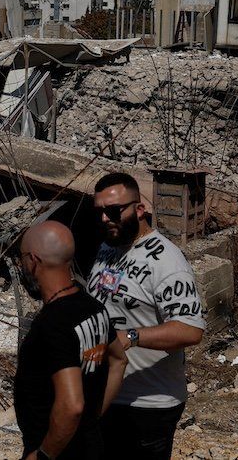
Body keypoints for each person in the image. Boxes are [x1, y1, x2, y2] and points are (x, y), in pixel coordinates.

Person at [87, 172, 206, 459]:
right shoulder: (108, 248)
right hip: (106, 396)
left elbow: (190, 330)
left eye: (114, 211)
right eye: (100, 212)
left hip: (148, 405)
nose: (106, 219)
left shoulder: (167, 261)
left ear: (140, 210)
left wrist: (131, 337)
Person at [14, 221, 128, 460]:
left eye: (22, 258)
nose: (21, 264)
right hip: (90, 443)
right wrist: (92, 419)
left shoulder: (53, 324)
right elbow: (119, 361)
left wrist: (44, 454)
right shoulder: (93, 307)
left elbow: (72, 405)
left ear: (33, 260)